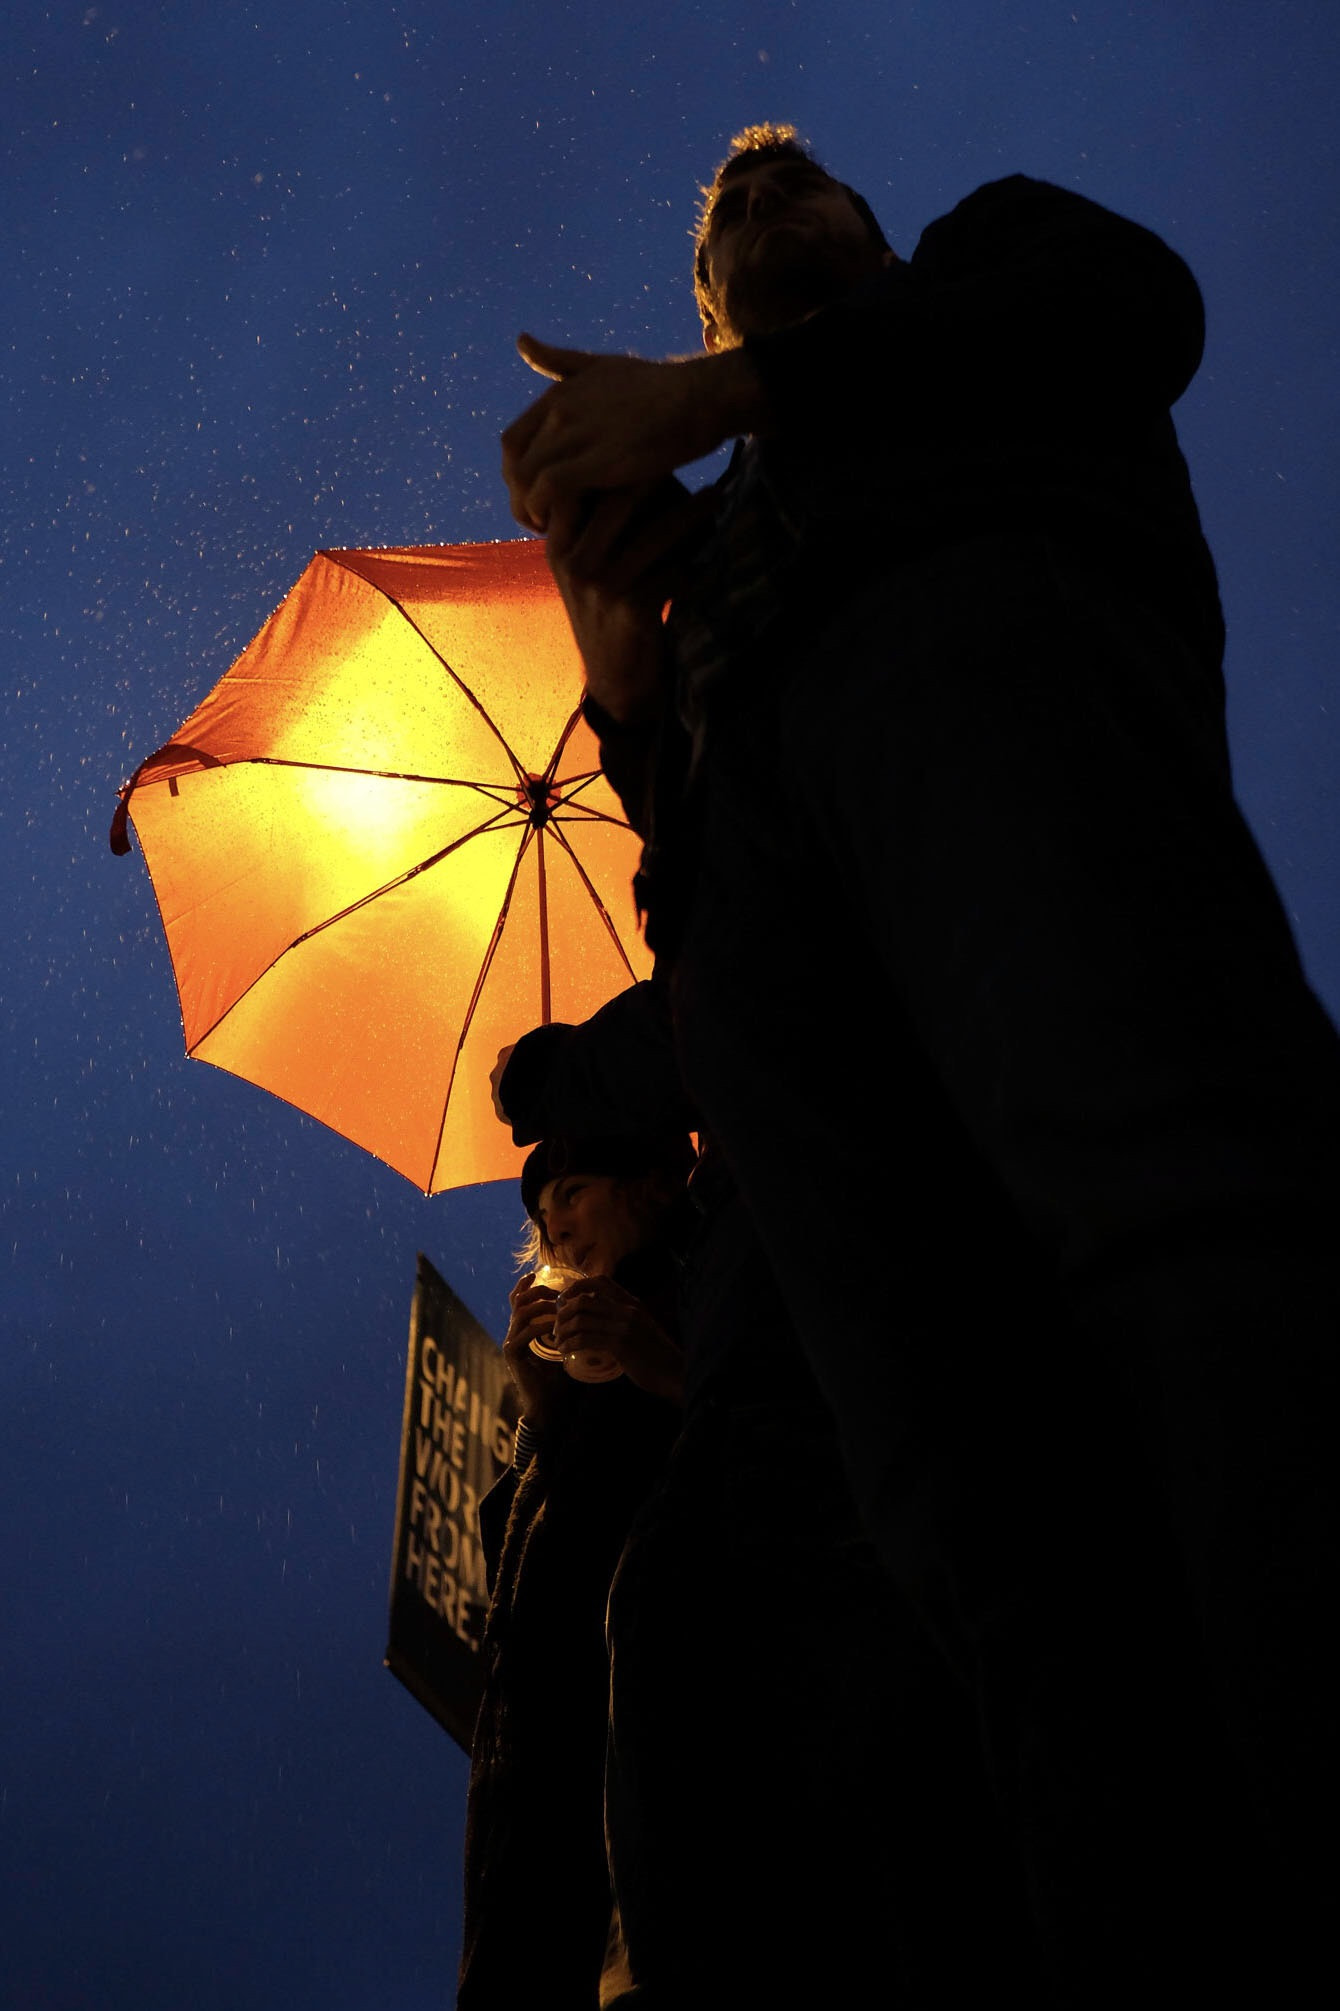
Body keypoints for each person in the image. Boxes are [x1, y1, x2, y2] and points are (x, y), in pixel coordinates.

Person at [500, 126, 1340, 1998]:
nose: (760, 215)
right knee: (1003, 1570)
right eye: (725, 234)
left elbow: (1135, 305)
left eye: (792, 197)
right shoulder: (729, 566)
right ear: (703, 303)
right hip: (849, 1169)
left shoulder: (991, 286)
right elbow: (703, 909)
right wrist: (630, 693)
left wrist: (728, 392)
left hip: (1060, 891)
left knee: (1209, 1291)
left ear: (872, 236)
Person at [456, 1130, 693, 2011]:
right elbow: (519, 1594)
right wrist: (542, 1405)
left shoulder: (703, 1288)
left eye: (576, 1188)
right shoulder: (564, 1377)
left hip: (665, 1764)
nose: (554, 1220)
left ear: (648, 1187)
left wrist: (661, 1366)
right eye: (542, 1210)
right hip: (546, 1791)